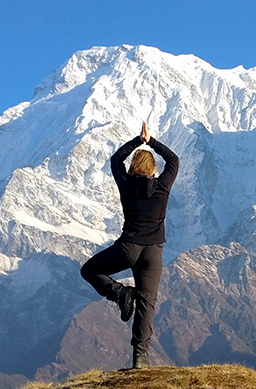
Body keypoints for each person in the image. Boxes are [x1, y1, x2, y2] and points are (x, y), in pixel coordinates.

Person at [80, 122, 179, 369]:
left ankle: (119, 293)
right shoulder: (162, 187)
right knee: (147, 303)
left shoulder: (126, 185)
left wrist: (138, 141)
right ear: (154, 169)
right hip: (153, 252)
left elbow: (115, 161)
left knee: (89, 270)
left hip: (128, 248)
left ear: (133, 168)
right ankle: (140, 357)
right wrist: (151, 141)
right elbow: (174, 161)